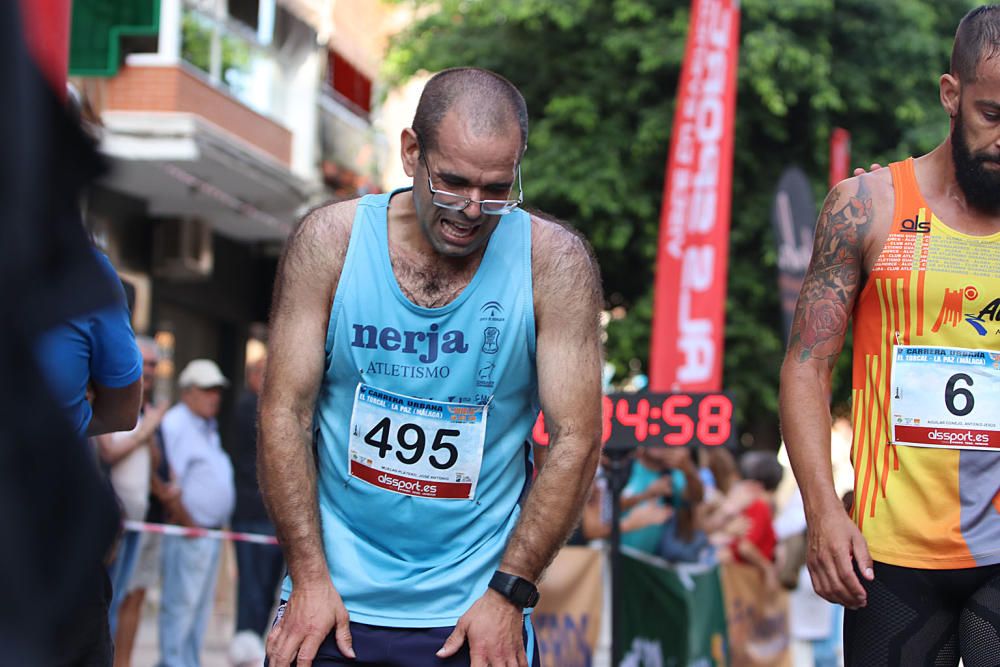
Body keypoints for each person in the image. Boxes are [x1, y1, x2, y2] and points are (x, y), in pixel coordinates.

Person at [258, 67, 603, 666]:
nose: (471, 209)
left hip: (473, 617)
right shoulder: (330, 242)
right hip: (331, 602)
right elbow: (284, 412)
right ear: (411, 152)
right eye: (452, 182)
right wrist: (309, 577)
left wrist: (510, 591)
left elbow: (577, 438)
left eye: (497, 188)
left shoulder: (552, 263)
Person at [780, 6, 1000, 664]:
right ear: (950, 94)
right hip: (892, 553)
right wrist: (822, 512)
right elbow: (805, 367)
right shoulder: (866, 205)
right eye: (993, 114)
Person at [158, 358, 236, 667]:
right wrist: (188, 522)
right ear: (188, 392)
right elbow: (168, 482)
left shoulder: (206, 425)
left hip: (208, 531)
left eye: (216, 390)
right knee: (181, 606)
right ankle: (173, 662)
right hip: (190, 530)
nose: (214, 396)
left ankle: (186, 662)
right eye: (207, 390)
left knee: (200, 608)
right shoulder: (176, 423)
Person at [95, 335, 166, 635]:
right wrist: (146, 430)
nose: (148, 370)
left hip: (138, 519)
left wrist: (148, 435)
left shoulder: (144, 410)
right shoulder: (107, 400)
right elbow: (108, 451)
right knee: (102, 606)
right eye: (144, 362)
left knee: (121, 600)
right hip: (111, 519)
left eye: (153, 364)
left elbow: (155, 465)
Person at [230, 352, 285, 644]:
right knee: (253, 587)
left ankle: (253, 641)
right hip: (253, 513)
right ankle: (247, 642)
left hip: (268, 517)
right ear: (254, 376)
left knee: (266, 587)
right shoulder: (249, 407)